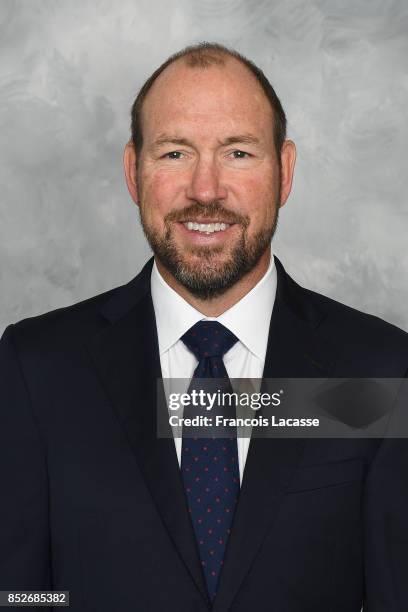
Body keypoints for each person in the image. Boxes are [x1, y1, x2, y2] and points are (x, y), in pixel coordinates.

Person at [0, 42, 407, 612]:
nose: (206, 190)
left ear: (285, 172)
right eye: (174, 154)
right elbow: (18, 594)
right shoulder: (34, 367)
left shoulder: (380, 369)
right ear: (132, 171)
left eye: (238, 153)